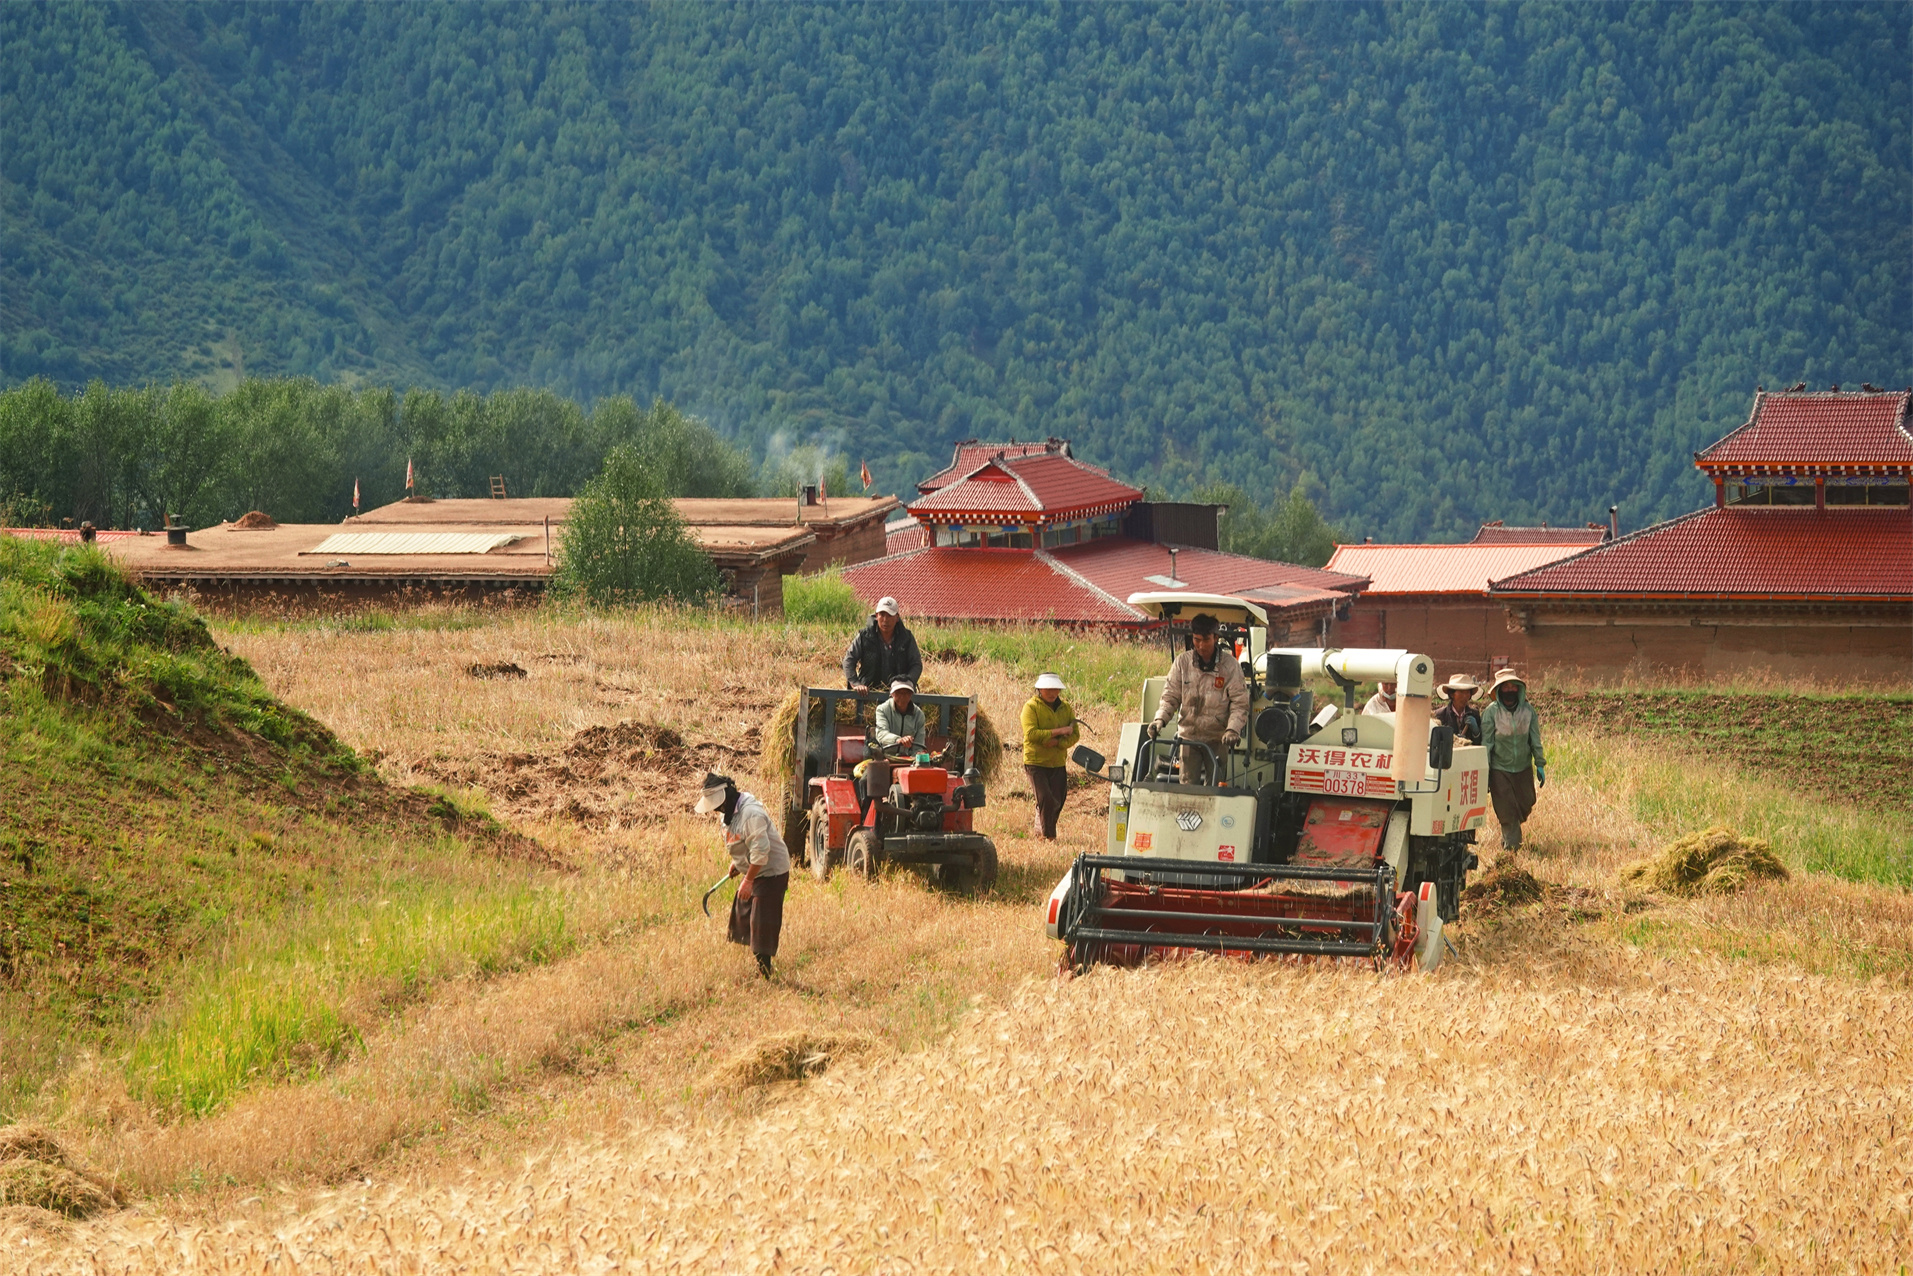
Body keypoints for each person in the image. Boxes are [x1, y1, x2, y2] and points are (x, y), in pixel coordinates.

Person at [695, 771, 791, 979]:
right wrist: (738, 863)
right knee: (743, 916)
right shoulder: (729, 811)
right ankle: (761, 962)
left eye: (717, 805)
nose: (715, 810)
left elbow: (761, 852)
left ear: (725, 798)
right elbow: (741, 839)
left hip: (771, 871)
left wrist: (748, 880)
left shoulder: (751, 814)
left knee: (761, 924)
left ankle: (765, 972)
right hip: (755, 867)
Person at [1145, 613, 1248, 785]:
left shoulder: (1230, 666)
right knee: (1187, 787)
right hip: (1188, 737)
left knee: (1216, 787)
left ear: (1216, 638)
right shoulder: (1182, 663)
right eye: (1196, 639)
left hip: (1218, 738)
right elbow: (1170, 697)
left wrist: (1232, 730)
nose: (1200, 645)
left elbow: (1240, 703)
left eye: (1205, 640)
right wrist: (1159, 720)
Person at [1479, 669, 1546, 851]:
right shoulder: (1491, 713)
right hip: (1499, 769)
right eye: (1505, 686)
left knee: (1526, 803)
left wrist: (1539, 763)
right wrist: (1485, 772)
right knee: (1507, 811)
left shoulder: (1528, 711)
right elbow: (1487, 744)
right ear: (1499, 690)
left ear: (1518, 689)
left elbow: (1535, 739)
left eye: (1512, 686)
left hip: (1523, 767)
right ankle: (1511, 849)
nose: (1509, 689)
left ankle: (1512, 832)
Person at [1020, 671, 1080, 840]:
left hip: (1057, 762)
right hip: (1036, 762)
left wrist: (1058, 743)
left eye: (1056, 689)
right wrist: (1059, 732)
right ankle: (1049, 837)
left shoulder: (1065, 708)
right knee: (1046, 797)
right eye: (1048, 689)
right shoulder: (1030, 707)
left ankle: (1041, 824)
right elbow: (1031, 733)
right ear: (1040, 689)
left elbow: (1075, 734)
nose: (1053, 693)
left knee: (1058, 800)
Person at [843, 596, 923, 692]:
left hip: (899, 694)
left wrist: (907, 683)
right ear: (876, 616)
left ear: (897, 617)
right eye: (882, 615)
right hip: (868, 694)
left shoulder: (906, 638)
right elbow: (849, 660)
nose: (885, 619)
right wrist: (856, 683)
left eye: (890, 615)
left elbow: (916, 664)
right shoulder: (864, 636)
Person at [873, 679, 927, 754]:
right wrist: (898, 740)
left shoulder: (919, 715)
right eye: (898, 692)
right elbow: (881, 734)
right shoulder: (882, 709)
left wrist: (918, 754)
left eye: (906, 693)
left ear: (911, 694)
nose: (902, 696)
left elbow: (919, 745)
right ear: (892, 694)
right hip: (884, 755)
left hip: (907, 757)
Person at [1434, 673, 1483, 745]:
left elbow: (1479, 743)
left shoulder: (1474, 714)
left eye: (1467, 692)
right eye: (1461, 692)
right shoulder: (1440, 715)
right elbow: (1436, 742)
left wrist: (1476, 733)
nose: (1465, 696)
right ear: (1452, 694)